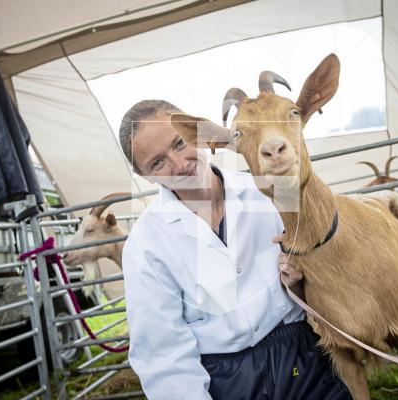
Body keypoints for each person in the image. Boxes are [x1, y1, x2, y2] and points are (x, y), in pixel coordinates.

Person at [119, 99, 351, 399]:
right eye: (157, 163)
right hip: (225, 380)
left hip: (300, 358)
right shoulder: (145, 245)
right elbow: (163, 354)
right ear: (145, 176)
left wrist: (302, 283)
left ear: (198, 134)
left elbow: (328, 268)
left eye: (179, 143)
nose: (179, 165)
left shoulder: (269, 191)